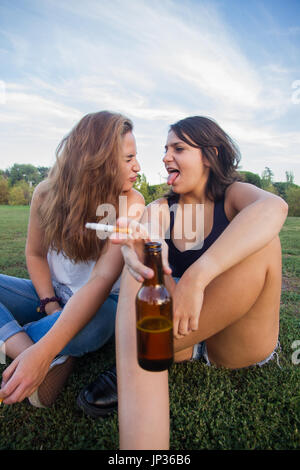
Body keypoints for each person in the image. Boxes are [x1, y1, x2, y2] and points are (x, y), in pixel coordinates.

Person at [80, 115, 288, 449]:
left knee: (265, 243)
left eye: (178, 148)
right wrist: (145, 250)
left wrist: (197, 276)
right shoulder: (161, 207)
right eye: (165, 149)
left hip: (236, 341)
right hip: (182, 334)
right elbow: (151, 238)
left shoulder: (234, 194)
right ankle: (142, 445)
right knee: (144, 255)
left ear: (210, 154)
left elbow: (274, 207)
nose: (164, 157)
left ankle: (134, 355)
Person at [0, 111, 144, 408]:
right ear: (97, 159)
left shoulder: (131, 202)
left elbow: (101, 281)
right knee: (59, 330)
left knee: (95, 326)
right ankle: (38, 353)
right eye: (129, 158)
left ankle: (33, 345)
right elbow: (35, 254)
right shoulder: (45, 193)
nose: (138, 167)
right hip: (54, 295)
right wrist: (50, 304)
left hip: (101, 305)